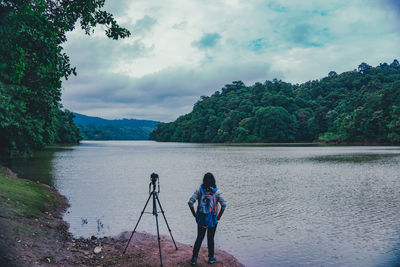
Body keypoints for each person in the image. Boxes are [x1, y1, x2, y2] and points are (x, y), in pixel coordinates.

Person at [188, 172, 226, 265]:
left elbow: (190, 202)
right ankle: (211, 258)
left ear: (204, 181)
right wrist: (218, 217)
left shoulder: (199, 191)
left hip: (201, 219)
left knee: (199, 238)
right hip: (212, 219)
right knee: (210, 238)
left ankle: (194, 258)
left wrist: (194, 215)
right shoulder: (217, 192)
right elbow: (224, 205)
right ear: (213, 181)